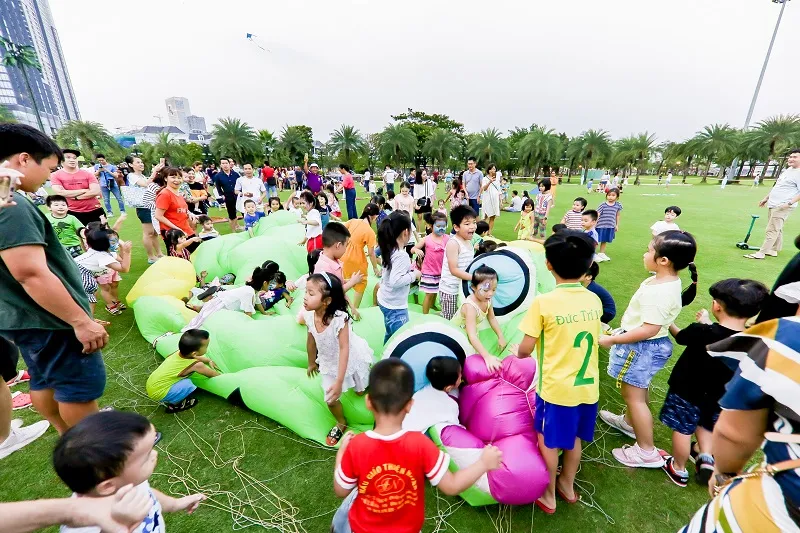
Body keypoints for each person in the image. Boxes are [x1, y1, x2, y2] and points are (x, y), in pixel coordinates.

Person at [0, 123, 108, 436]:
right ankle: (98, 449)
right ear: (23, 159)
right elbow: (30, 273)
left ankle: (67, 436)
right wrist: (80, 321)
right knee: (76, 386)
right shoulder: (12, 206)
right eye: (49, 168)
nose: (50, 177)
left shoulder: (5, 198)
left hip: (25, 317)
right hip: (49, 319)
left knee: (44, 377)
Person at [331, 358, 503, 533]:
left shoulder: (357, 446)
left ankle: (338, 528)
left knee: (353, 498)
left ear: (368, 402)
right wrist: (483, 463)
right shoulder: (421, 445)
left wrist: (341, 455)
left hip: (363, 528)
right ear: (409, 405)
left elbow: (340, 490)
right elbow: (452, 485)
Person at [679, 312, 800, 532]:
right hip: (713, 399)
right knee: (706, 422)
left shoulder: (791, 335)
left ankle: (678, 467)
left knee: (687, 425)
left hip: (775, 510)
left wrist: (724, 474)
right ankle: (703, 453)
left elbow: (733, 433)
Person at [515, 230, 601, 514]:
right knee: (574, 438)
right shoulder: (593, 300)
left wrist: (521, 351)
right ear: (588, 266)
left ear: (548, 265)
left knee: (549, 441)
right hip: (587, 388)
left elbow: (525, 350)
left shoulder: (544, 302)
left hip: (556, 391)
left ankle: (549, 493)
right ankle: (568, 484)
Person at [598, 231, 699, 468]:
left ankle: (646, 451)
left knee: (634, 397)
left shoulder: (659, 291)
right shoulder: (665, 280)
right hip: (647, 346)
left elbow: (649, 329)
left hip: (641, 348)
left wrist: (613, 340)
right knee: (637, 391)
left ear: (663, 260)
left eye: (649, 250)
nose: (645, 254)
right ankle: (629, 423)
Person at [659, 279, 768, 488]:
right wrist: (708, 323)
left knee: (683, 429)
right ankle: (705, 457)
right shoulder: (753, 340)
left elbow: (681, 336)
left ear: (717, 305)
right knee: (707, 425)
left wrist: (668, 321)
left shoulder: (701, 333)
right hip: (719, 395)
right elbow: (723, 335)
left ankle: (678, 468)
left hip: (687, 390)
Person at [54, 411, 206, 533]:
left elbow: (148, 494)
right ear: (107, 486)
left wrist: (175, 504)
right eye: (146, 457)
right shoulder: (82, 525)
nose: (155, 455)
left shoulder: (127, 483)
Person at [300, 273, 373, 446]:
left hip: (349, 357)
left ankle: (365, 384)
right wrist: (311, 362)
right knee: (330, 400)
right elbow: (311, 340)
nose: (304, 297)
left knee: (360, 390)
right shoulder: (309, 316)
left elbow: (344, 348)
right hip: (328, 361)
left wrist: (340, 381)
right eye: (306, 292)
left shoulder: (340, 319)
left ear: (326, 301)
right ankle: (341, 422)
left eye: (311, 294)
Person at [183, 263, 280, 331]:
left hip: (220, 301)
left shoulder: (252, 290)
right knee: (199, 326)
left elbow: (257, 300)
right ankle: (199, 306)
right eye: (270, 283)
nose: (270, 286)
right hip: (219, 306)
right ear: (264, 283)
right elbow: (248, 313)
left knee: (201, 320)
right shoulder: (249, 292)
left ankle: (199, 306)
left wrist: (264, 313)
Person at [146, 328, 219, 414]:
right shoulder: (197, 365)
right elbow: (214, 375)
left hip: (151, 385)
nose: (207, 347)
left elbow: (196, 357)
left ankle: (172, 395)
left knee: (183, 381)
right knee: (188, 384)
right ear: (194, 353)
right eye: (206, 346)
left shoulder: (178, 353)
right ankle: (175, 404)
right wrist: (223, 375)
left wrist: (208, 361)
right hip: (159, 392)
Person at [745, 148, 800, 260]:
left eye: (795, 157)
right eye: (790, 157)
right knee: (777, 228)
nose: (791, 159)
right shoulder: (788, 170)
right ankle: (773, 250)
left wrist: (788, 203)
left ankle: (761, 253)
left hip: (783, 205)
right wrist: (766, 198)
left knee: (771, 229)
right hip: (773, 203)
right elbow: (778, 186)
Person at [376, 212, 421, 343]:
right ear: (406, 232)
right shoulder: (401, 255)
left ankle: (386, 353)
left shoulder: (389, 247)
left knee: (391, 333)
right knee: (400, 338)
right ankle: (392, 361)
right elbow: (395, 281)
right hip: (395, 306)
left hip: (385, 298)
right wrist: (414, 275)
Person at [452, 266, 506, 372]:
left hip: (471, 334)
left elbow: (492, 318)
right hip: (458, 335)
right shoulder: (470, 307)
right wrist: (487, 357)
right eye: (486, 290)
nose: (490, 293)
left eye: (494, 289)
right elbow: (471, 336)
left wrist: (500, 336)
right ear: (473, 287)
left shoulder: (487, 299)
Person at [75, 226, 132, 316]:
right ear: (102, 244)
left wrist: (122, 248)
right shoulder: (102, 256)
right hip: (80, 270)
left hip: (79, 269)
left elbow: (121, 259)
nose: (117, 244)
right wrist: (127, 252)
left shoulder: (103, 251)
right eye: (113, 242)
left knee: (91, 295)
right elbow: (124, 269)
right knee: (90, 295)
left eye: (117, 240)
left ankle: (89, 318)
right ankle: (89, 320)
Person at [402, 356, 462, 432]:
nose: (462, 376)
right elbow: (455, 427)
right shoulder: (451, 405)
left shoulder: (423, 390)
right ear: (448, 388)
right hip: (409, 438)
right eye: (460, 376)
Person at [342, 204, 382, 319]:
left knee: (342, 280)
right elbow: (371, 253)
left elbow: (341, 231)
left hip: (343, 256)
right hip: (356, 259)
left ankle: (342, 305)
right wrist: (375, 268)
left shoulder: (353, 221)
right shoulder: (370, 232)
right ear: (374, 217)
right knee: (361, 282)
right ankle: (355, 310)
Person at [439, 206, 477, 320]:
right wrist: (474, 278)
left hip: (463, 288)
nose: (472, 226)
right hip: (450, 291)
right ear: (456, 227)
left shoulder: (469, 242)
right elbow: (454, 270)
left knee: (462, 318)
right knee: (450, 319)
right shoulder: (454, 243)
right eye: (467, 223)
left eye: (474, 222)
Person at [49, 149, 104, 225]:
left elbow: (95, 191)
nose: (72, 160)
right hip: (72, 211)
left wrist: (76, 197)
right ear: (61, 160)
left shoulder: (88, 174)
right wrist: (84, 190)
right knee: (78, 236)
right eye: (68, 157)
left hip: (94, 209)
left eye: (74, 158)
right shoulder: (55, 175)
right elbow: (60, 192)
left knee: (101, 235)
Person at [126, 157, 163, 263]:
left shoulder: (141, 175)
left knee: (155, 231)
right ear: (131, 165)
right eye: (138, 162)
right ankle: (151, 256)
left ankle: (159, 253)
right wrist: (154, 172)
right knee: (148, 232)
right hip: (143, 207)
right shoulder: (131, 176)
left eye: (141, 162)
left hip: (150, 205)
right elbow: (146, 184)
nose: (141, 164)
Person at [411, 211, 449, 315]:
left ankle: (432, 305)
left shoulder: (447, 238)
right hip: (429, 271)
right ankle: (425, 315)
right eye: (438, 226)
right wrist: (417, 250)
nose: (441, 228)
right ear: (431, 226)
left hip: (441, 271)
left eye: (444, 226)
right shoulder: (426, 239)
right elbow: (413, 249)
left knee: (436, 291)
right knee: (429, 294)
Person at [154, 167, 199, 251]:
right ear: (165, 178)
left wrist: (190, 214)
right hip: (173, 233)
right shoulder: (165, 194)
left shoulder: (178, 193)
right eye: (173, 177)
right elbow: (158, 215)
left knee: (195, 250)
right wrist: (177, 229)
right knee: (178, 258)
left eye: (179, 177)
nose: (177, 180)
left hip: (185, 228)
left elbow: (181, 208)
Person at [211, 158, 241, 233]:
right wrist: (222, 195)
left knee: (242, 211)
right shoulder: (218, 176)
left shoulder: (235, 174)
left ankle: (241, 226)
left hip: (238, 196)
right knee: (232, 215)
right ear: (220, 165)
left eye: (226, 163)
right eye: (223, 163)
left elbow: (240, 184)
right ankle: (233, 230)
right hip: (228, 197)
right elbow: (218, 187)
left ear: (229, 164)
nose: (225, 165)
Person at [595, 188, 623, 262]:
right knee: (596, 240)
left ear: (617, 197)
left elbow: (618, 215)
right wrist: (594, 224)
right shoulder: (603, 205)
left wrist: (617, 225)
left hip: (610, 226)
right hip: (600, 225)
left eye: (613, 195)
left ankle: (601, 253)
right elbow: (598, 214)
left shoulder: (618, 205)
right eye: (609, 195)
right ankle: (593, 254)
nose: (610, 197)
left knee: (605, 240)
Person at [92, 154, 124, 219]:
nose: (101, 161)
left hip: (112, 184)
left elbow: (116, 176)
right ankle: (109, 212)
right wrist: (99, 171)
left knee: (119, 198)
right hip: (103, 184)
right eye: (99, 160)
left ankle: (122, 211)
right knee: (106, 200)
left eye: (102, 160)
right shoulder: (96, 166)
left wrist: (107, 170)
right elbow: (94, 175)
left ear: (105, 159)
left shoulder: (112, 166)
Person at [480, 163, 502, 234]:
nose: (493, 170)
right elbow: (485, 188)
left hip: (495, 199)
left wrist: (500, 201)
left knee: (492, 216)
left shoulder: (497, 179)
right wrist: (490, 181)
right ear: (489, 170)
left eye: (495, 169)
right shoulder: (485, 179)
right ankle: (482, 232)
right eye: (492, 169)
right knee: (485, 216)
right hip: (487, 199)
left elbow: (499, 190)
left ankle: (489, 233)